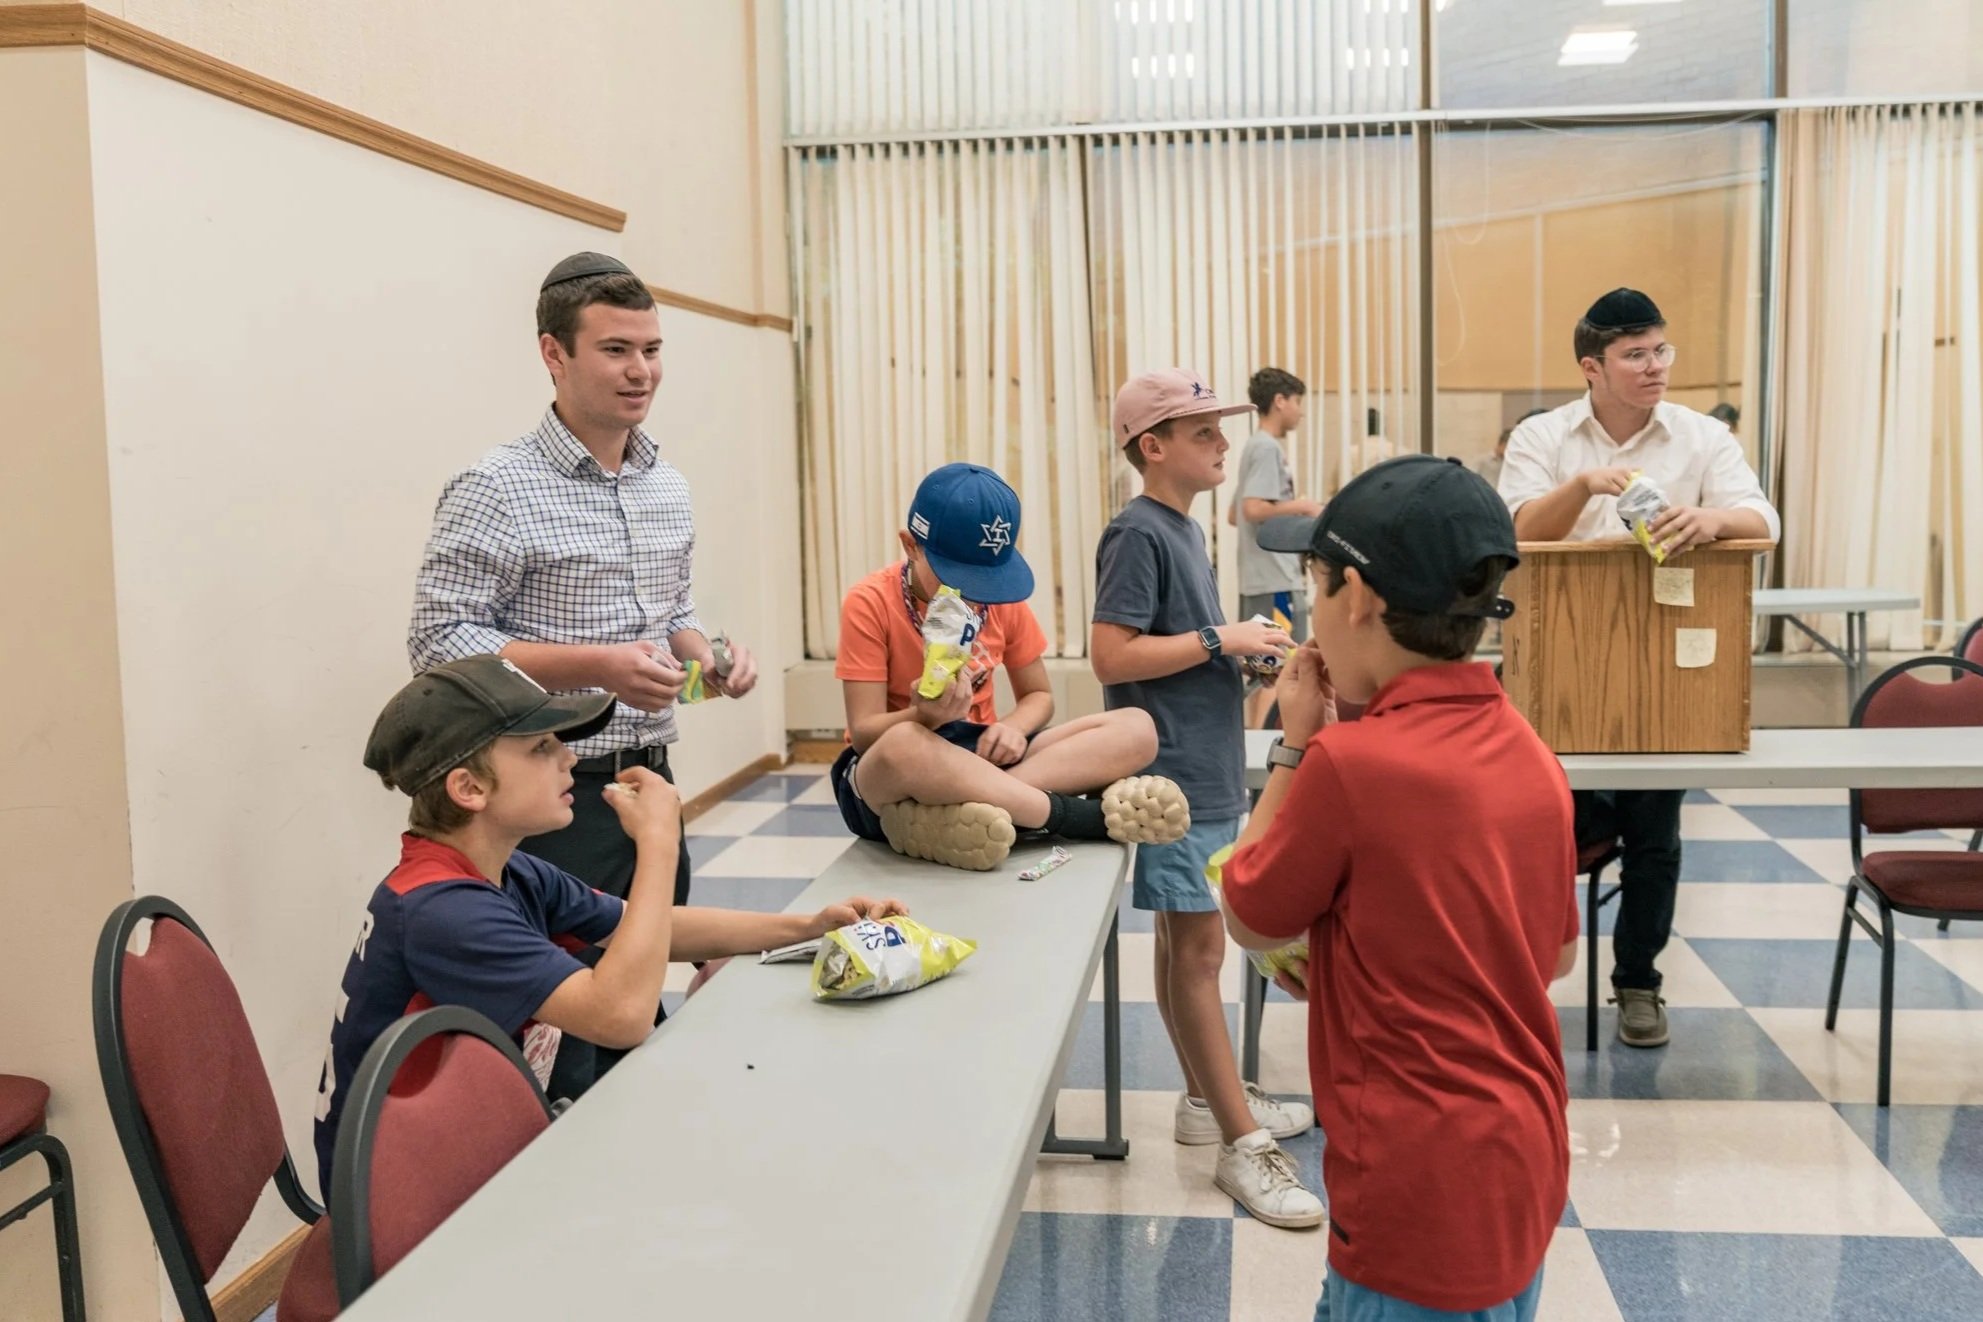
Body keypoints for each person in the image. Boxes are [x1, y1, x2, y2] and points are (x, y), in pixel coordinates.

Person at [312, 656, 904, 1196]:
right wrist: (657, 843)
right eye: (542, 747)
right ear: (469, 789)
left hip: (473, 1152)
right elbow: (620, 1016)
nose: (570, 758)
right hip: (405, 1201)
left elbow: (653, 928)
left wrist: (807, 925)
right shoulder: (441, 910)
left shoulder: (508, 870)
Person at [1222, 455, 1577, 1322]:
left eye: (1312, 582)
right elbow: (1551, 954)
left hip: (1413, 1173)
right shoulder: (1529, 751)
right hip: (1521, 1151)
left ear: (1357, 599)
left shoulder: (1345, 765)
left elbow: (1245, 910)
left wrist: (1294, 744)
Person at [408, 251, 760, 1098]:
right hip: (548, 806)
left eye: (651, 348)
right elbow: (438, 643)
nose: (640, 371)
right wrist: (595, 669)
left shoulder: (664, 485)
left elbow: (667, 614)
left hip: (648, 787)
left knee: (630, 1019)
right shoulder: (496, 486)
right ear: (553, 355)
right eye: (615, 350)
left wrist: (707, 654)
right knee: (557, 1053)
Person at [1497, 287, 1780, 1048]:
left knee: (1655, 836)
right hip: (1558, 670)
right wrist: (1583, 485)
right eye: (1634, 355)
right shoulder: (1544, 437)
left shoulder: (1697, 436)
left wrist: (1712, 519)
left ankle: (1637, 985)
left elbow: (1762, 521)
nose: (1654, 367)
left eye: (1661, 351)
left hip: (1665, 672)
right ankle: (1522, 981)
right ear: (1592, 366)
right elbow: (1517, 531)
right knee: (1541, 834)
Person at [1091, 367, 1323, 1229]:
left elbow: (1177, 646)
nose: (1224, 443)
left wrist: (1242, 654)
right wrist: (1217, 637)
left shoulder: (1181, 532)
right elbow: (1113, 656)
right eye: (1201, 433)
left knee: (1186, 946)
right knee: (1196, 954)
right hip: (1177, 775)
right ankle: (1238, 1142)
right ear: (1152, 447)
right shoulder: (1137, 532)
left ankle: (1203, 1098)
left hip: (1206, 758)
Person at [832, 463, 1188, 871]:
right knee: (904, 745)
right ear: (910, 545)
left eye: (984, 578)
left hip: (981, 755)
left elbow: (1038, 696)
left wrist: (1013, 728)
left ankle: (962, 817)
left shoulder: (998, 600)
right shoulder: (869, 602)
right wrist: (924, 717)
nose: (972, 592)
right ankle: (1067, 816)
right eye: (956, 575)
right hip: (890, 777)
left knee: (1136, 727)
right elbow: (863, 736)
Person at [1233, 368, 1322, 729]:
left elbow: (1234, 513)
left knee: (1262, 669)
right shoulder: (1267, 448)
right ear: (1280, 401)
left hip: (1262, 579)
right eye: (1298, 401)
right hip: (1275, 581)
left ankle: (1257, 752)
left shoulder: (1254, 448)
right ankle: (1267, 758)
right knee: (1278, 666)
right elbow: (1252, 509)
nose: (1301, 411)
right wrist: (1303, 507)